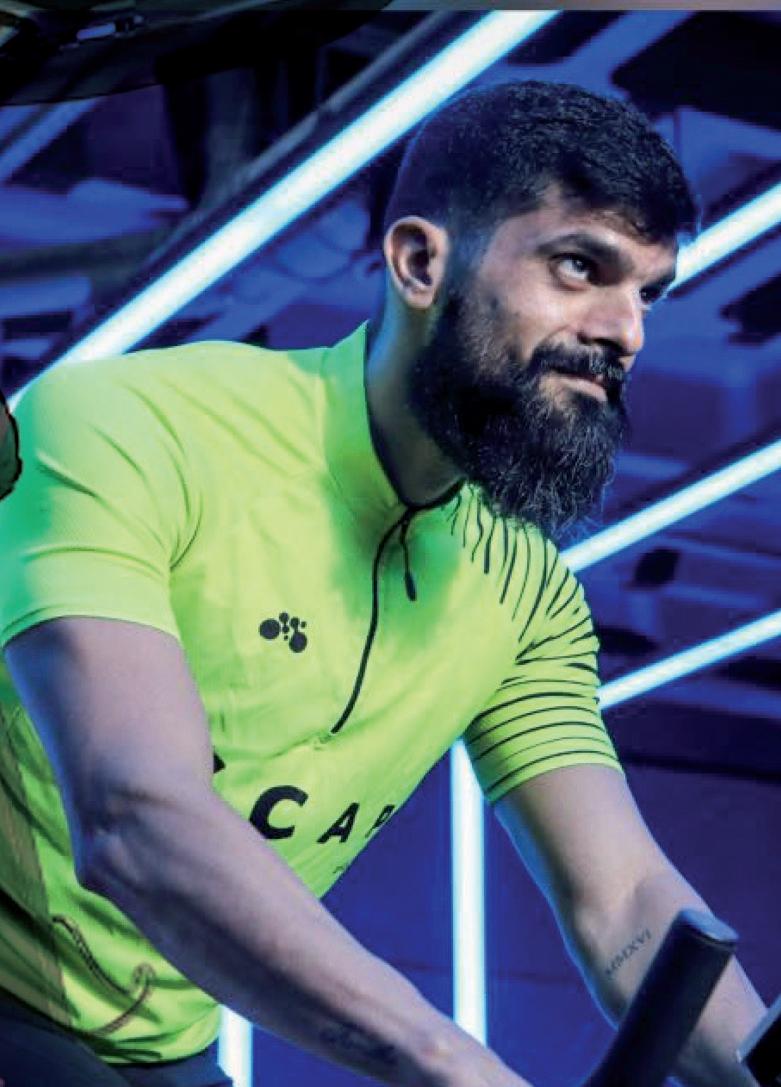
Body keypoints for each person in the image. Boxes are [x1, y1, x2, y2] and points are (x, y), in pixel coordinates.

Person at [0, 80, 767, 1087]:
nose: (624, 330)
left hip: (163, 1047)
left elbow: (623, 901)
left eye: (646, 294)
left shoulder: (525, 592)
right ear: (418, 263)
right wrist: (447, 1062)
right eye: (580, 266)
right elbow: (135, 817)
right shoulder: (127, 425)